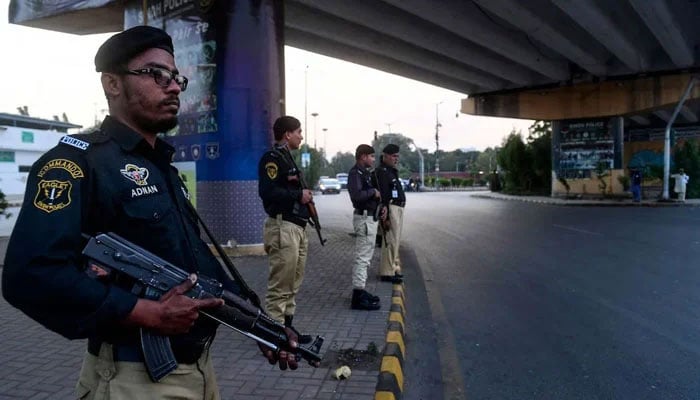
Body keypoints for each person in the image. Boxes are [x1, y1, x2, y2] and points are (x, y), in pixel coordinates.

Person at [1, 26, 299, 400]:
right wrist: (142, 312)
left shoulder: (162, 168)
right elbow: (28, 274)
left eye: (176, 77)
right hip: (132, 379)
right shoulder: (76, 163)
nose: (173, 86)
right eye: (156, 74)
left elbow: (193, 262)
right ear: (112, 84)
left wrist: (257, 323)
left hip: (198, 371)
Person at [258, 115, 314, 342]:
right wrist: (298, 195)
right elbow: (268, 192)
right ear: (287, 134)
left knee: (293, 282)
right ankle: (274, 334)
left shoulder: (287, 158)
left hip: (297, 227)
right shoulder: (272, 159)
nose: (301, 136)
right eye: (298, 132)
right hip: (283, 227)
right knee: (280, 285)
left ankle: (287, 329)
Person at [347, 144, 383, 310]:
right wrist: (373, 193)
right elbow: (356, 196)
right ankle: (358, 296)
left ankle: (360, 291)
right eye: (371, 156)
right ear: (363, 156)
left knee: (366, 257)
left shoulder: (365, 173)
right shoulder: (356, 173)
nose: (373, 159)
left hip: (370, 217)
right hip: (364, 218)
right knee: (362, 258)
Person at [374, 144, 406, 284]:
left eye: (397, 156)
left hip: (397, 208)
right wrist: (385, 214)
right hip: (390, 208)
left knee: (395, 241)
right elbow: (383, 193)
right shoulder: (381, 171)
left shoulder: (391, 171)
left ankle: (391, 269)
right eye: (393, 156)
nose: (396, 159)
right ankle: (386, 272)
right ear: (385, 156)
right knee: (390, 241)